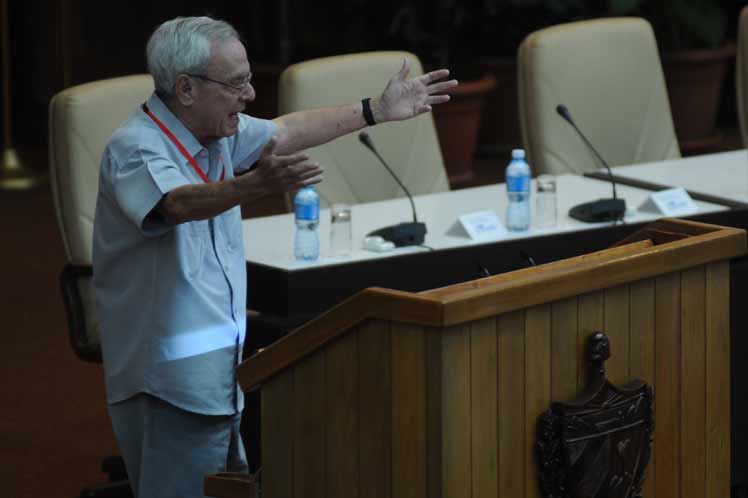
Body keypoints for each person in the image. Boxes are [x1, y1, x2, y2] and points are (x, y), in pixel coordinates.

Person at [92, 15, 457, 498]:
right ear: (185, 89)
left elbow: (285, 131)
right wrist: (252, 185)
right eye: (237, 83)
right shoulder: (135, 149)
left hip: (216, 367)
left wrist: (375, 109)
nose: (249, 95)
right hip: (165, 379)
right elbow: (176, 203)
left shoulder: (215, 132)